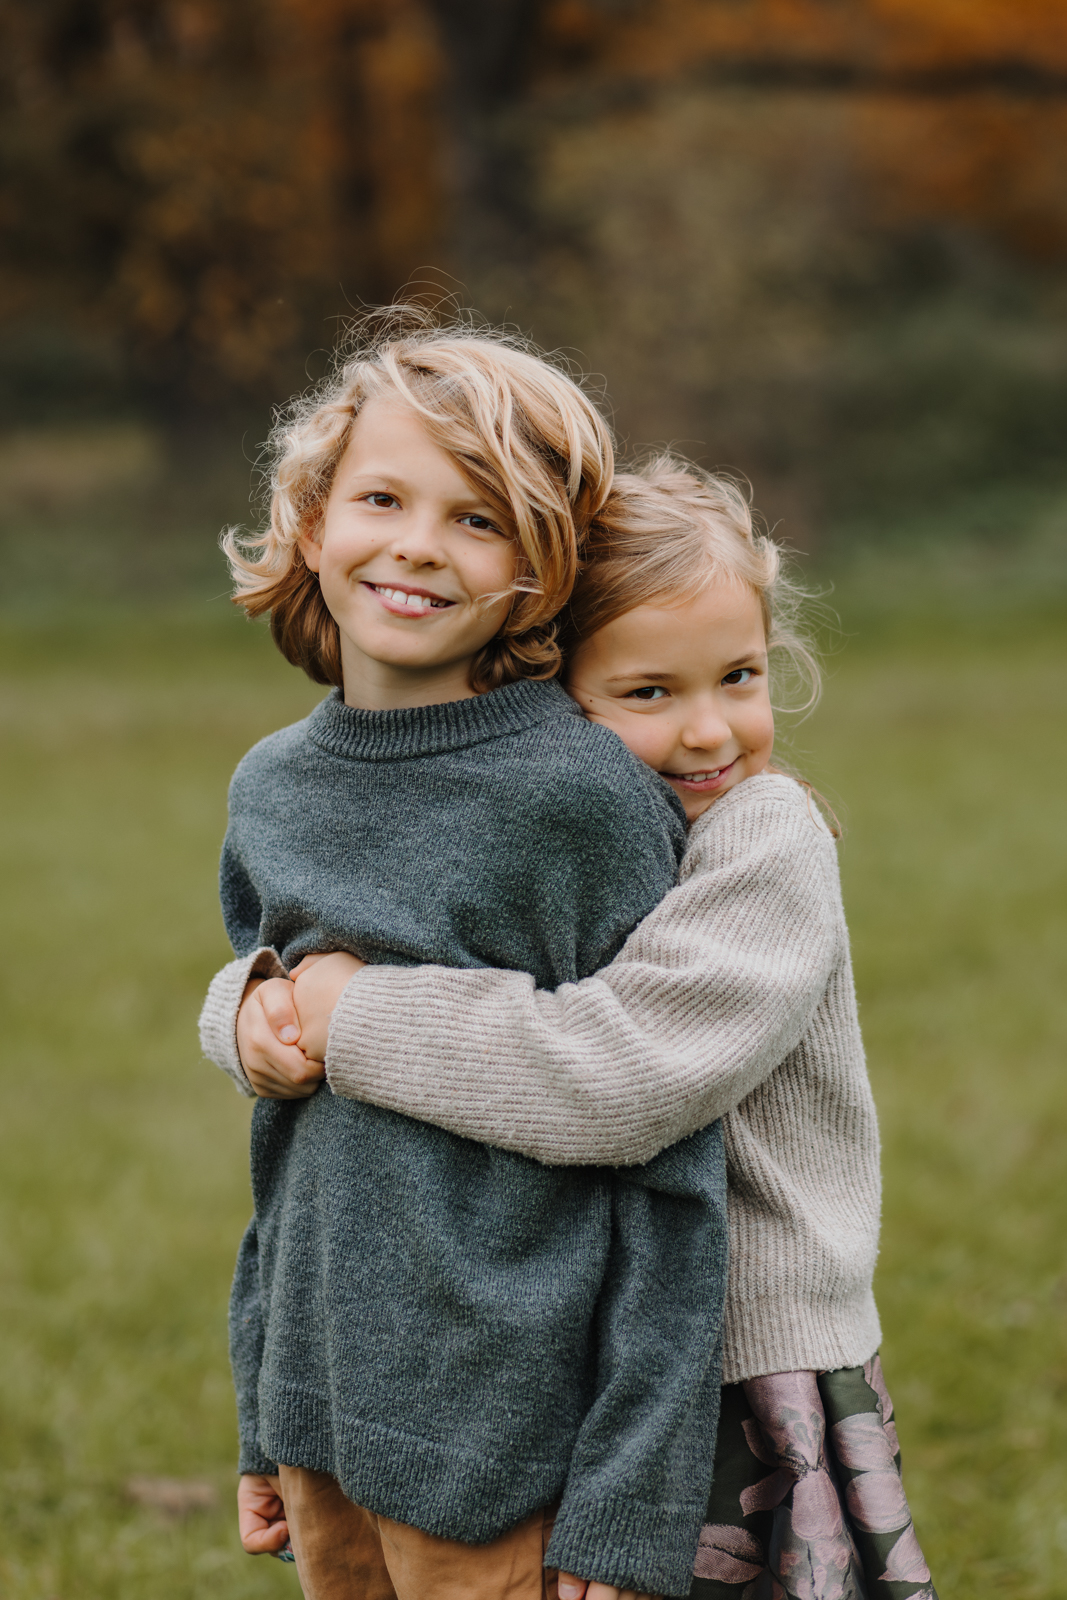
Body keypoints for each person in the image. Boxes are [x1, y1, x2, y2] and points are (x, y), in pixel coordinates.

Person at [228, 459, 938, 1600]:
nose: (708, 730)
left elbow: (611, 1073)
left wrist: (343, 1012)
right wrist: (249, 1007)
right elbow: (373, 963)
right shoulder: (565, 826)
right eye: (647, 692)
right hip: (571, 1350)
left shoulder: (765, 841)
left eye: (740, 676)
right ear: (553, 702)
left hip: (740, 1364)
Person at [198, 315, 729, 1600]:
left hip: (514, 1450)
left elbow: (671, 1173)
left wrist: (629, 1501)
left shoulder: (576, 799)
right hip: (328, 1422)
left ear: (539, 574)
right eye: (382, 498)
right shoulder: (272, 788)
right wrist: (266, 1409)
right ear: (313, 520)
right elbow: (292, 1158)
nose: (418, 545)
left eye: (477, 520)